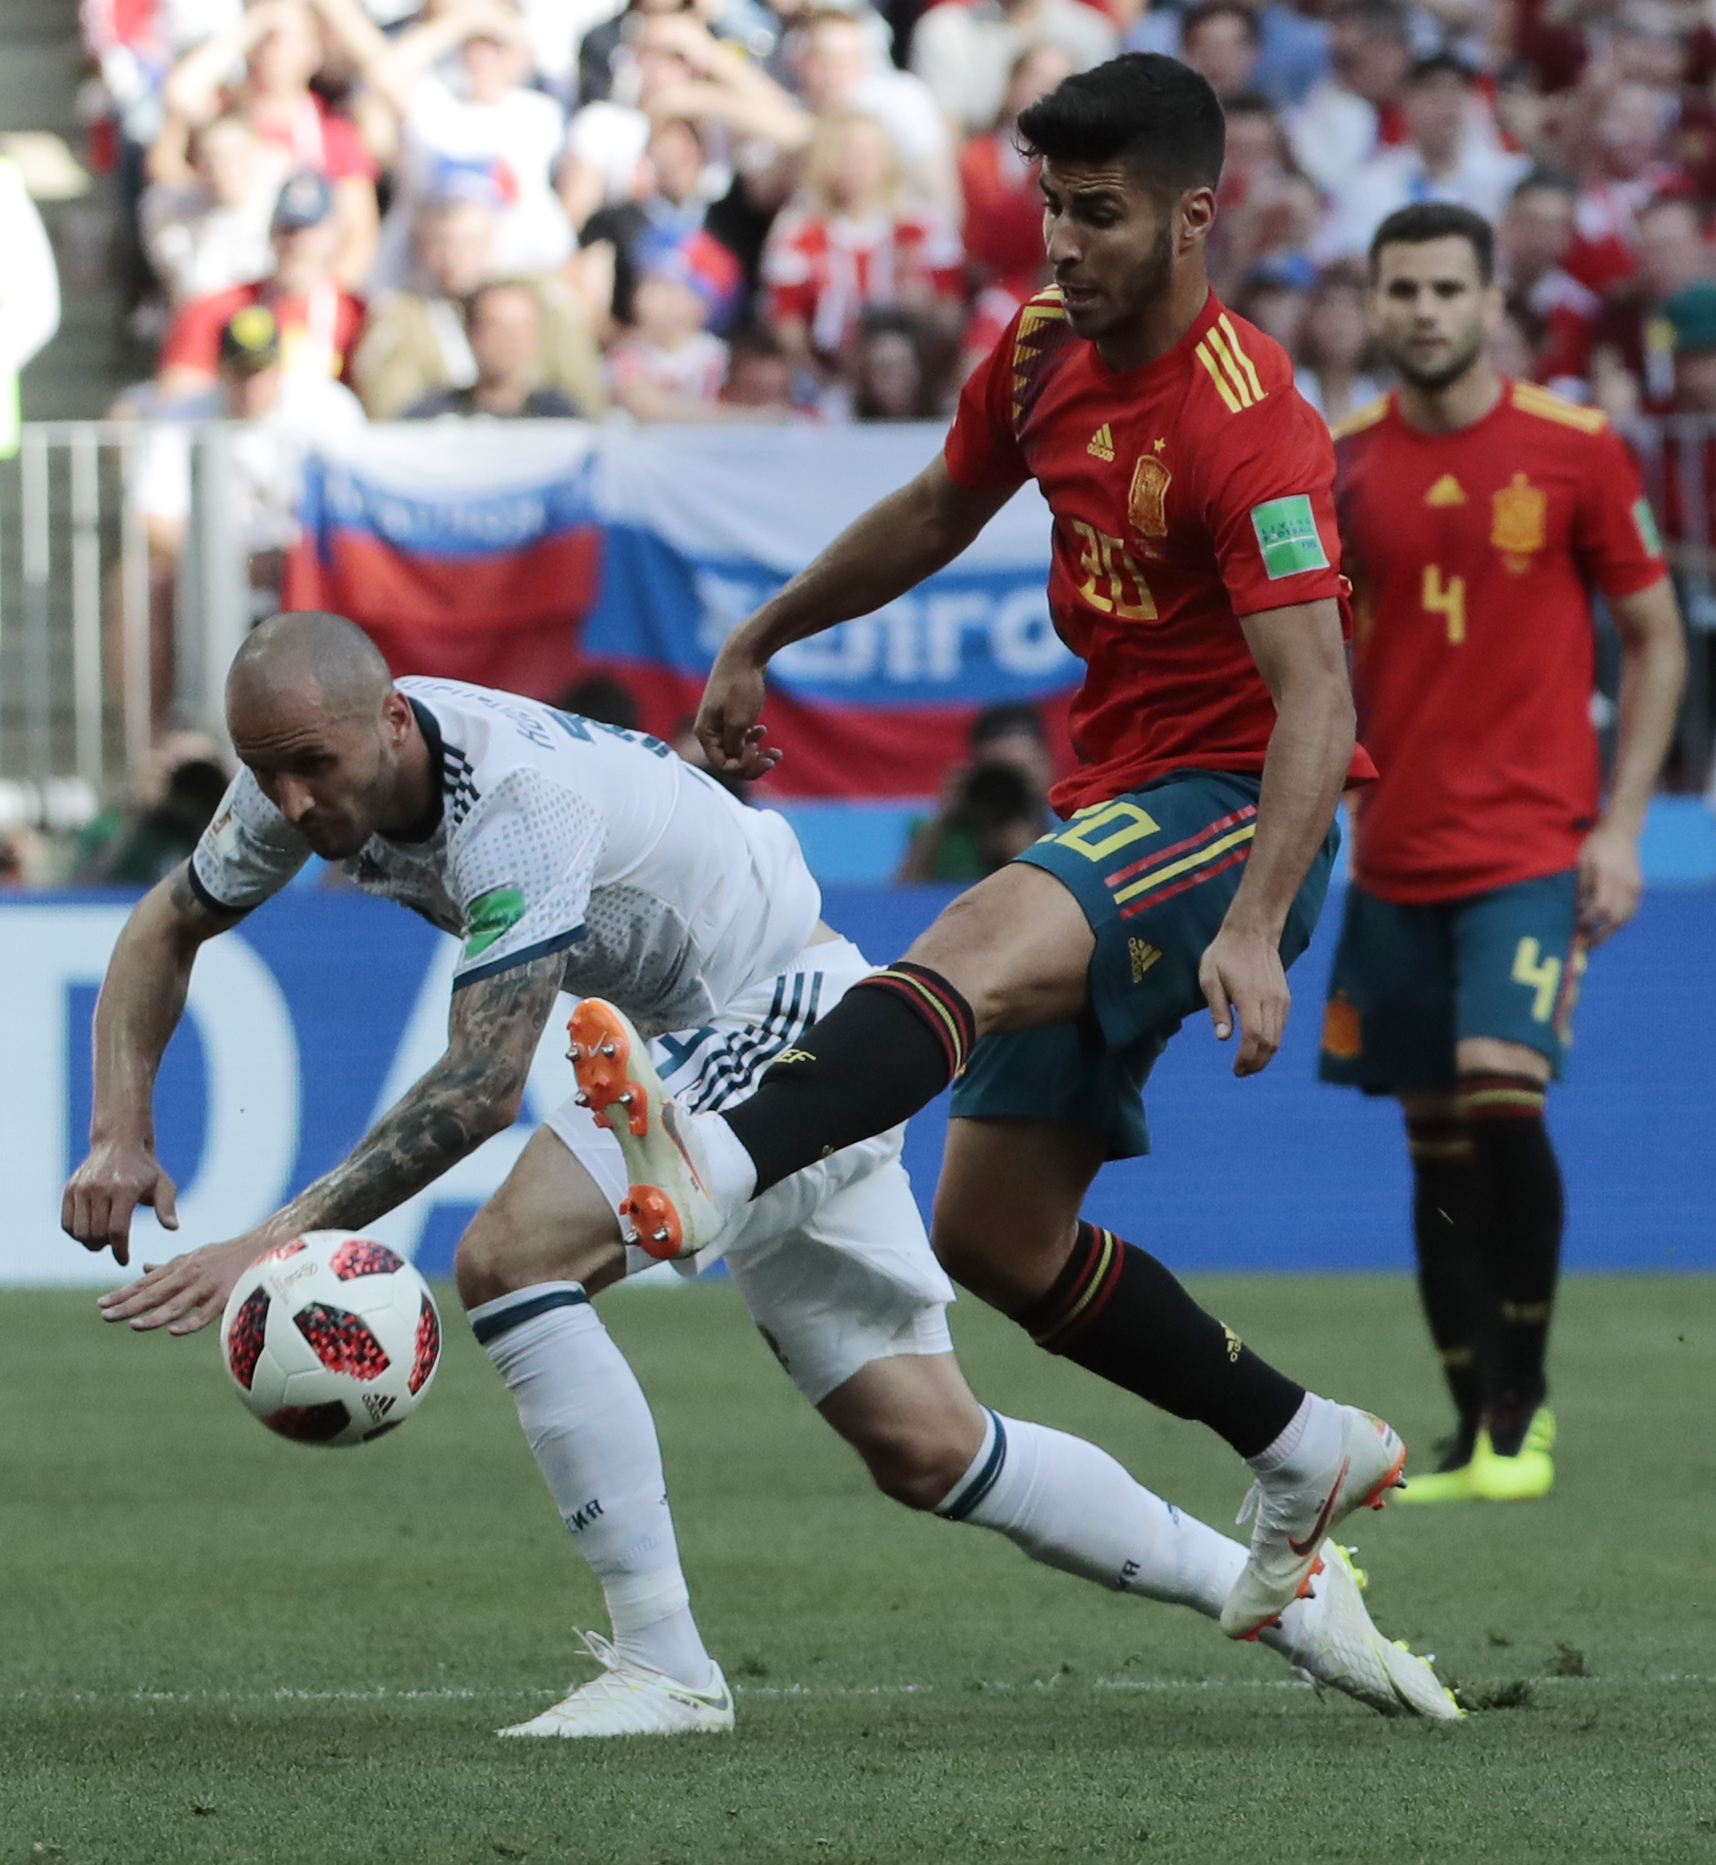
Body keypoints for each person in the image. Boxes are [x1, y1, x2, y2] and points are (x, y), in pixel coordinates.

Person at [63, 614, 1457, 1737]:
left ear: (391, 719)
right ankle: (1268, 1590)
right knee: (927, 1444)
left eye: (314, 764)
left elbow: (482, 1085)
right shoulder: (289, 778)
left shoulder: (516, 806)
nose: (296, 803)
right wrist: (122, 1124)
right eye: (272, 770)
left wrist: (275, 1237)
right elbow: (160, 928)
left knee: (508, 1257)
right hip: (704, 1031)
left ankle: (663, 1662)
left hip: (787, 1017)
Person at [588, 53, 1429, 1645]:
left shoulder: (1253, 424)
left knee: (964, 946)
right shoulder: (1046, 346)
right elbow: (935, 503)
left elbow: (1318, 697)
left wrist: (1253, 925)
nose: (1061, 244)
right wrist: (761, 633)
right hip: (1117, 807)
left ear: (1194, 217)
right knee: (992, 1234)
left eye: (1098, 215)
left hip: (1236, 812)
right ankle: (1302, 1443)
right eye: (1050, 206)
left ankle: (705, 1171)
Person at [1320, 203, 1686, 1502]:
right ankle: (1472, 1429)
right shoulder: (1342, 465)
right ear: (1374, 303)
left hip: (1531, 847)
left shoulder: (1577, 451)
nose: (1423, 310)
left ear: (1491, 304)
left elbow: (1654, 637)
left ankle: (1527, 1412)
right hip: (1394, 854)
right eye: (1401, 288)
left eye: (1445, 289)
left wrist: (1624, 825)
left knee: (1499, 1089)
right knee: (1431, 1139)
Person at [351, 194, 607, 420]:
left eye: (468, 242)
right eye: (440, 243)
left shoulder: (542, 303)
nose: (454, 257)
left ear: (490, 241)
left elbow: (585, 400)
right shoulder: (400, 316)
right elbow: (390, 408)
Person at [155, 170, 367, 399]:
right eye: (288, 229)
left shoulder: (358, 315)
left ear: (334, 236)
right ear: (271, 232)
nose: (298, 244)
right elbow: (179, 398)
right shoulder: (217, 310)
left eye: (311, 231)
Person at [405, 280, 586, 416]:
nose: (512, 341)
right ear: (471, 333)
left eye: (524, 328)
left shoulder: (557, 414)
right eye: (498, 327)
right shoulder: (434, 414)